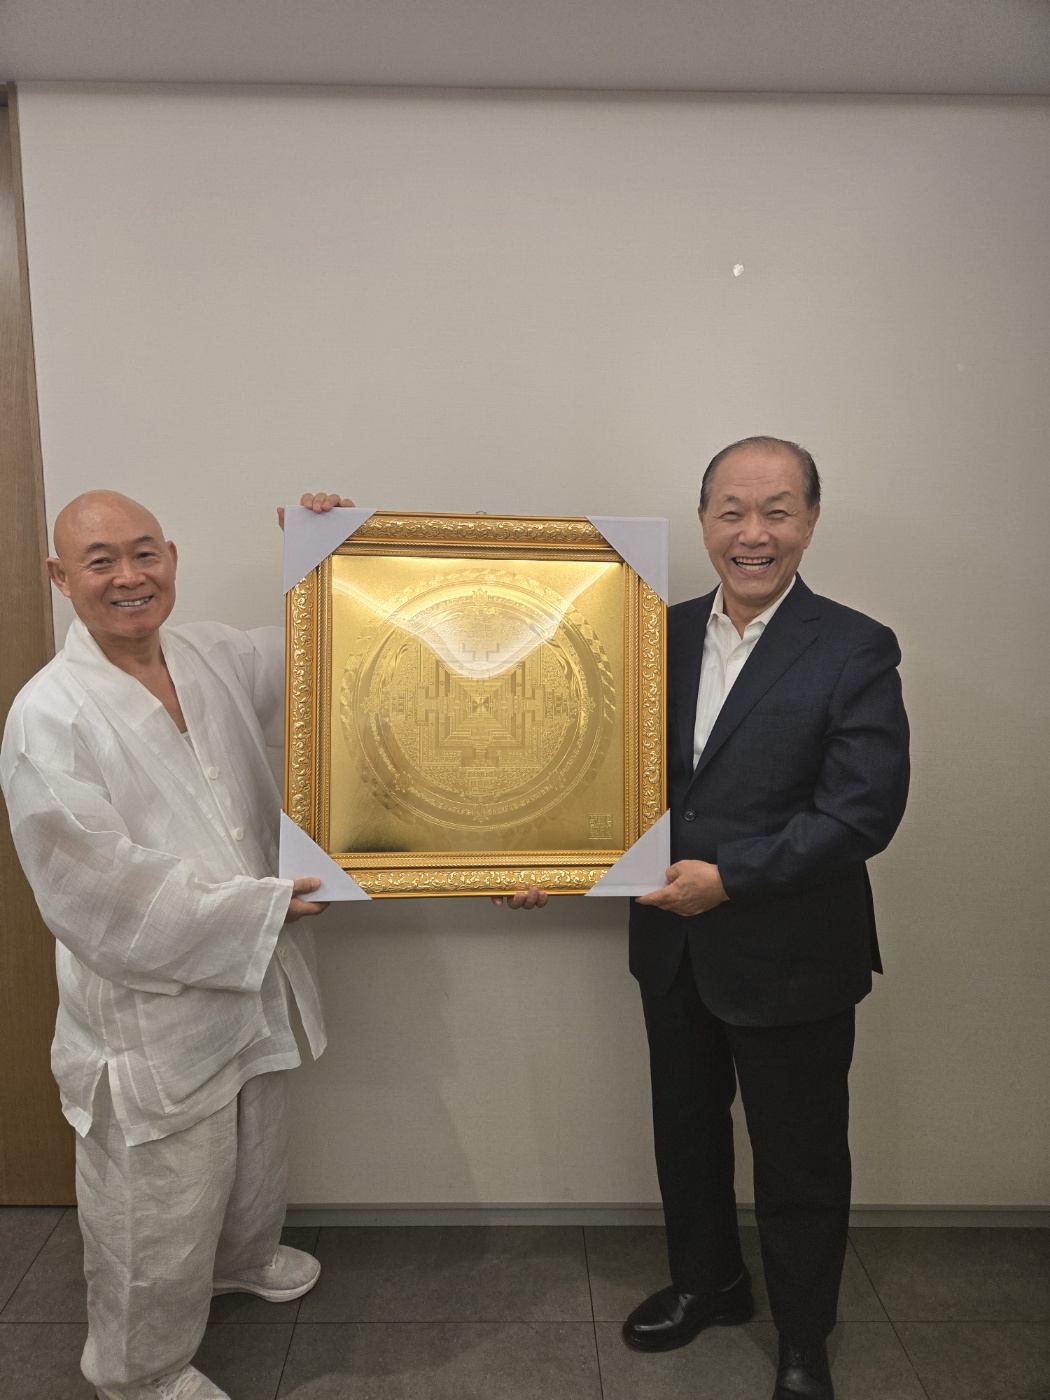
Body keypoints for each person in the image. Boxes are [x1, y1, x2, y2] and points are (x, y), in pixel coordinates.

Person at [1, 489, 352, 1400]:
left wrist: (330, 555)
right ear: (61, 577)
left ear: (172, 557)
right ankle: (139, 1368)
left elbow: (330, 656)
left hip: (248, 971)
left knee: (252, 1145)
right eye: (101, 561)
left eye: (144, 552)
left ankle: (240, 1261)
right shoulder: (49, 716)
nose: (129, 576)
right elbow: (96, 889)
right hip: (150, 1005)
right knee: (157, 1194)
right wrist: (255, 912)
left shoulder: (210, 656)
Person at [623, 437, 910, 1400]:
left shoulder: (855, 646)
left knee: (800, 1161)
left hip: (794, 954)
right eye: (733, 512)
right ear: (704, 521)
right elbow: (589, 771)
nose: (754, 534)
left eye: (778, 512)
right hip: (672, 947)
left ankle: (801, 1336)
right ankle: (708, 1285)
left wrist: (732, 879)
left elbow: (863, 811)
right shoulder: (649, 634)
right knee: (687, 1134)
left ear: (811, 522)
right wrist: (540, 858)